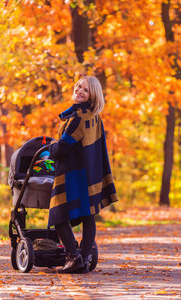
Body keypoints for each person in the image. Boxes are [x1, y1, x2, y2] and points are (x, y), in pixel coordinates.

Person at [48, 76, 118, 274]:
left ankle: (74, 257)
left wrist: (50, 148)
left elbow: (62, 148)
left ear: (92, 95)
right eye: (79, 86)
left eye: (85, 90)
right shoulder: (93, 116)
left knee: (59, 215)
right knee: (88, 214)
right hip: (89, 172)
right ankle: (85, 257)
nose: (79, 91)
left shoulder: (79, 118)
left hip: (72, 174)